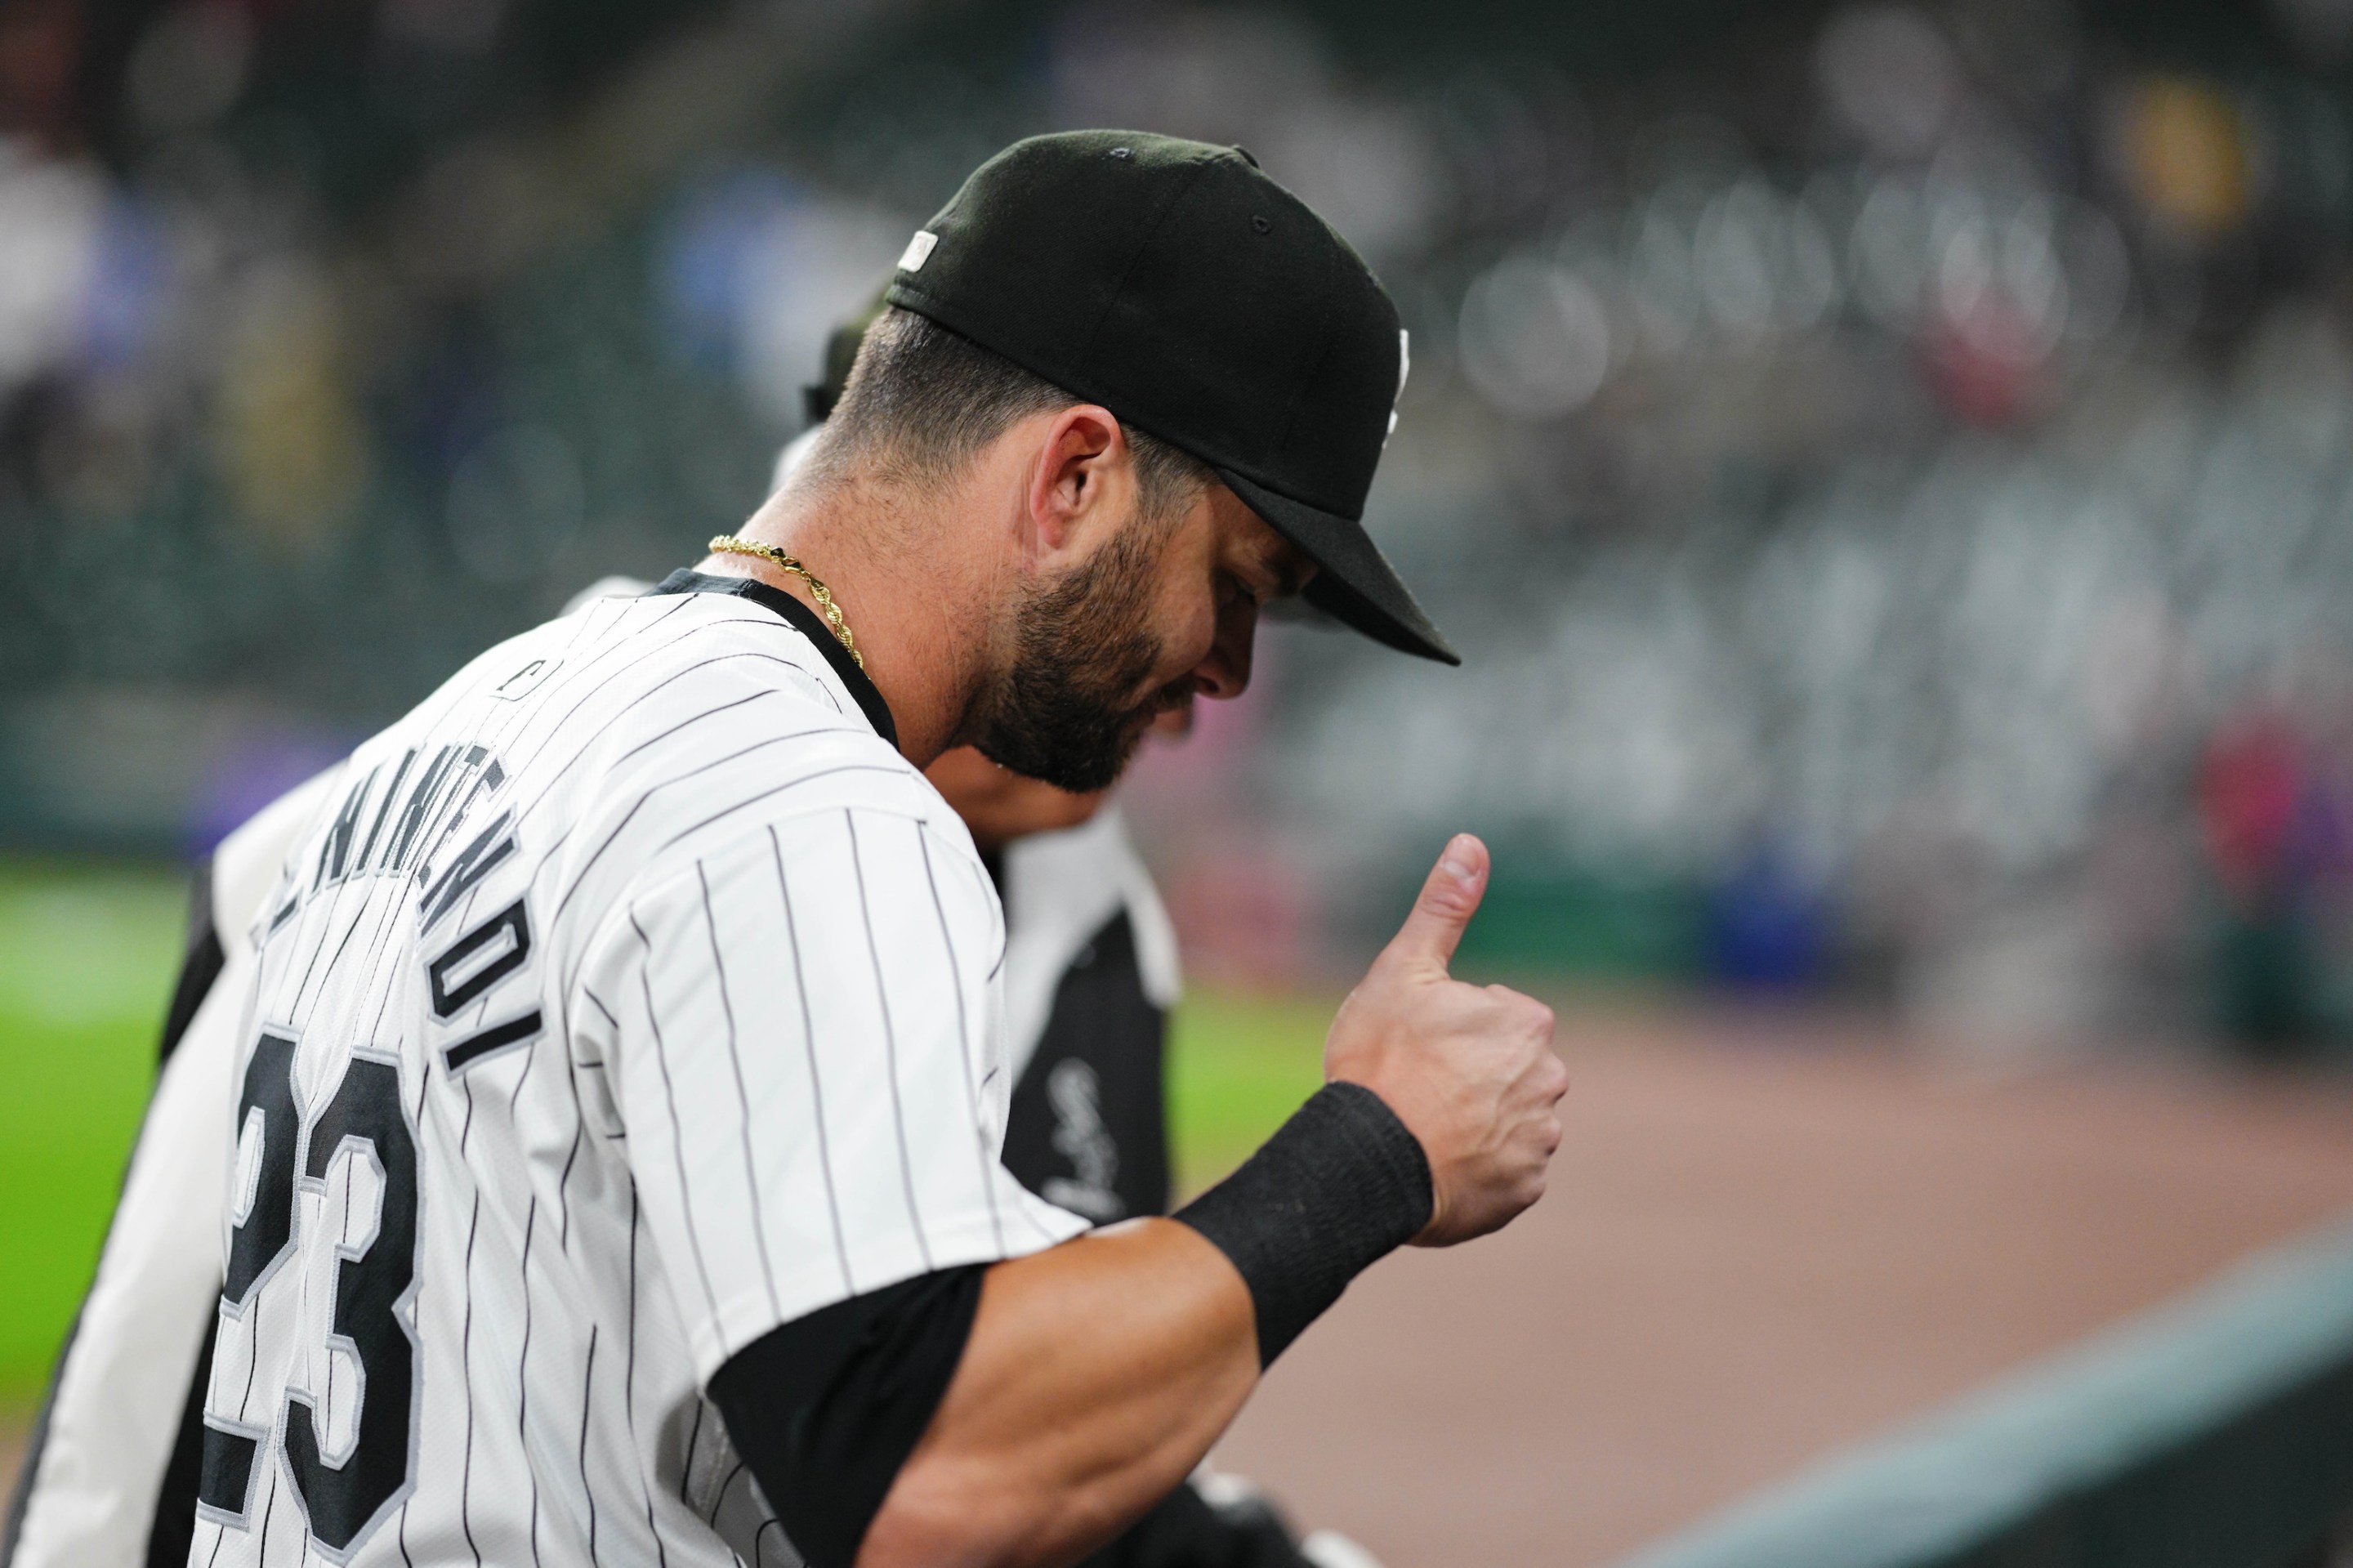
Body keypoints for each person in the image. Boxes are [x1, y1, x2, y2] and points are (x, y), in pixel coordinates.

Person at [7, 130, 1565, 1568]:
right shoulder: (798, 795)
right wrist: (1375, 1146)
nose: (1227, 666)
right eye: (1239, 577)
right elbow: (922, 1475)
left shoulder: (477, 722)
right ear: (1076, 476)